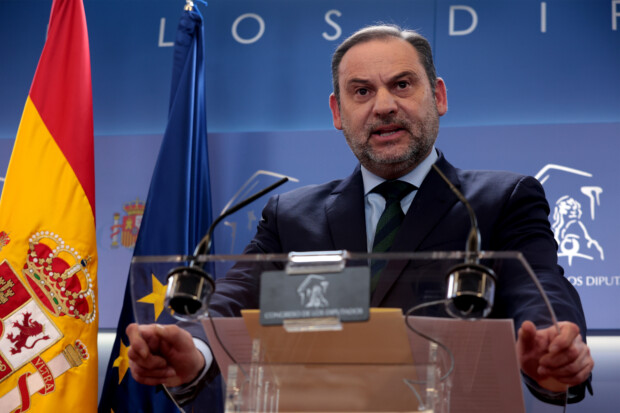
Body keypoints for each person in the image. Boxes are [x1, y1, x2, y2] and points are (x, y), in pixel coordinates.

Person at [126, 24, 594, 407]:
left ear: (438, 96)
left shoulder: (501, 200)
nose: (383, 106)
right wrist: (194, 347)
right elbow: (233, 295)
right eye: (362, 91)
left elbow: (539, 285)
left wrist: (551, 342)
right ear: (338, 111)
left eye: (402, 85)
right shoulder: (291, 214)